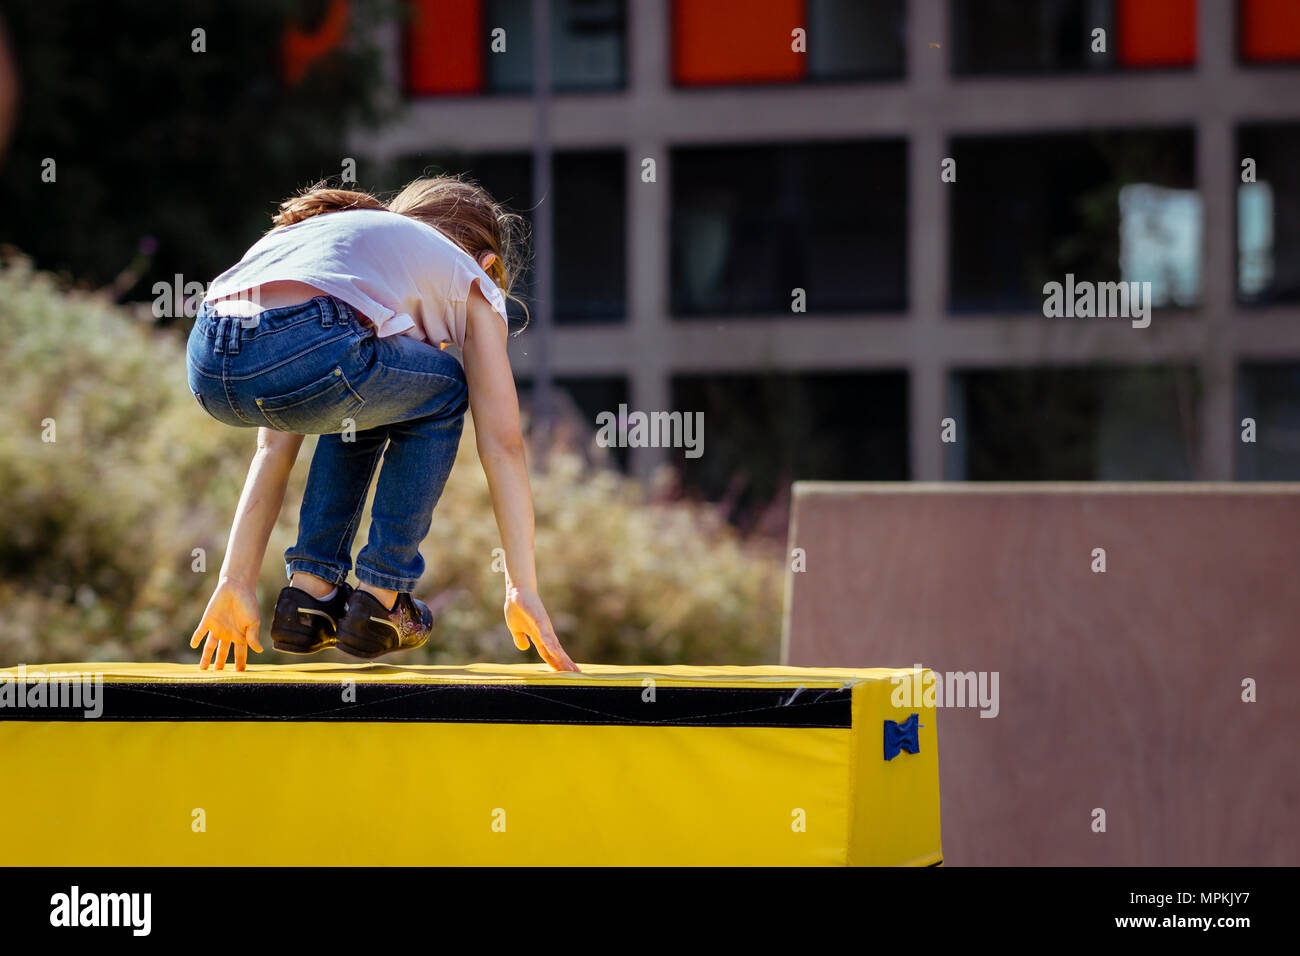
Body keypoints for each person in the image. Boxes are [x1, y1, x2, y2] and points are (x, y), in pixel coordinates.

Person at [184, 177, 579, 673]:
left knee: (376, 395)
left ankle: (310, 595)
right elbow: (503, 445)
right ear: (488, 266)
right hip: (311, 342)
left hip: (206, 356)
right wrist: (521, 586)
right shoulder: (467, 276)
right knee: (447, 387)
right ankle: (382, 595)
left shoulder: (340, 246)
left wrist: (234, 581)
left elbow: (272, 453)